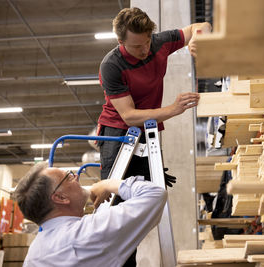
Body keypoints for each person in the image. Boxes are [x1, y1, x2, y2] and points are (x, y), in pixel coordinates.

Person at [97, 7, 211, 265]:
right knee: (118, 214)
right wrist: (173, 109)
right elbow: (128, 116)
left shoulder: (158, 43)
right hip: (119, 136)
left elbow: (199, 25)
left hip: (147, 132)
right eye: (137, 46)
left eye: (147, 41)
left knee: (143, 207)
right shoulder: (112, 65)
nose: (145, 49)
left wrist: (200, 37)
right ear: (120, 42)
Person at [14, 162, 167, 267]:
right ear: (61, 198)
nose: (76, 178)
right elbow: (154, 194)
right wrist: (107, 184)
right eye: (68, 177)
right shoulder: (87, 232)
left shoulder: (33, 254)